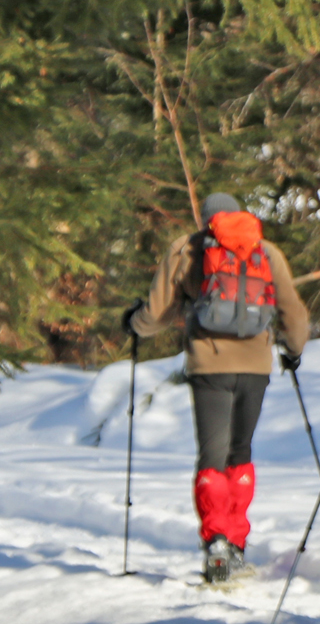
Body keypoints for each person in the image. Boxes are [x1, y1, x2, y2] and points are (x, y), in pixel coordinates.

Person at [125, 192, 310, 584]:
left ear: (206, 220)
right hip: (256, 366)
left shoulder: (188, 249)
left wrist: (134, 323)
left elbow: (157, 313)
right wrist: (292, 351)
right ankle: (237, 545)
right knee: (240, 452)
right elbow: (292, 309)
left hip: (209, 364)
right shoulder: (266, 250)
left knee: (212, 453)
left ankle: (217, 543)